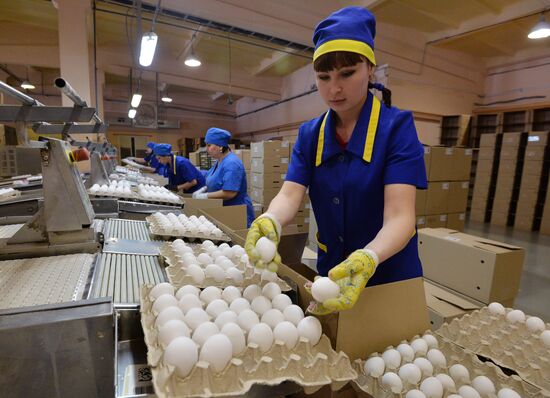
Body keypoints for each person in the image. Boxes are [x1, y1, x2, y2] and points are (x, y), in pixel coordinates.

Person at [244, 7, 427, 315]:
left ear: (370, 68)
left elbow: (400, 216)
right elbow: (290, 194)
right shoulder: (310, 135)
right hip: (333, 272)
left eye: (347, 73)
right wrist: (270, 220)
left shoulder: (396, 129)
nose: (334, 88)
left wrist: (369, 256)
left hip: (387, 272)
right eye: (323, 77)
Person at [192, 128, 254, 227]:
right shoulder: (219, 161)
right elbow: (216, 181)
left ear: (220, 146)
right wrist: (203, 189)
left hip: (236, 211)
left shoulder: (232, 163)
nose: (206, 149)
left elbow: (230, 193)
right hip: (224, 210)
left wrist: (205, 196)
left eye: (209, 145)